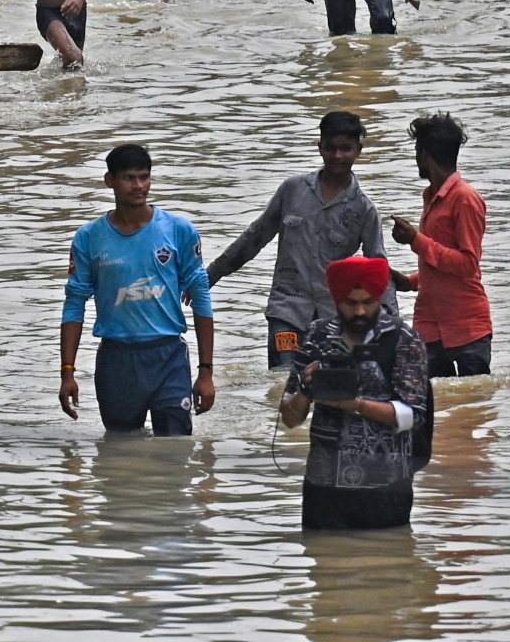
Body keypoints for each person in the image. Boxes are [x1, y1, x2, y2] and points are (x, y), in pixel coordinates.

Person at [209, 112, 395, 367]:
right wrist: (211, 274)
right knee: (284, 380)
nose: (337, 156)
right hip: (287, 310)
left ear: (358, 151)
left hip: (334, 318)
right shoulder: (293, 190)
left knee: (329, 388)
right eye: (330, 148)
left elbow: (378, 269)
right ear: (319, 147)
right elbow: (255, 237)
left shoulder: (364, 210)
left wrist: (391, 322)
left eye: (345, 149)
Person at [58, 145, 214, 431]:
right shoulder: (89, 237)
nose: (139, 186)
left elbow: (201, 295)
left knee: (175, 454)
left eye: (144, 177)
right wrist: (67, 372)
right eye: (129, 178)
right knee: (120, 456)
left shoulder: (178, 229)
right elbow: (74, 302)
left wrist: (206, 372)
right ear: (110, 181)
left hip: (168, 358)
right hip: (116, 361)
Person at [277, 255, 429, 530]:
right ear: (336, 301)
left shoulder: (403, 339)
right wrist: (306, 389)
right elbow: (289, 418)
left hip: (386, 488)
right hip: (323, 490)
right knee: (324, 565)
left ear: (379, 297)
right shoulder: (316, 336)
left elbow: (413, 416)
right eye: (351, 303)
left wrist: (356, 404)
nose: (360, 312)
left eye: (367, 302)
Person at [390, 113, 491, 377]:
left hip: (467, 326)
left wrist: (415, 240)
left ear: (424, 155)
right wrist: (410, 282)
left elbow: (467, 265)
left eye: (416, 150)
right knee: (436, 407)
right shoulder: (432, 197)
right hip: (430, 325)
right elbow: (442, 265)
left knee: (470, 408)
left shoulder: (465, 199)